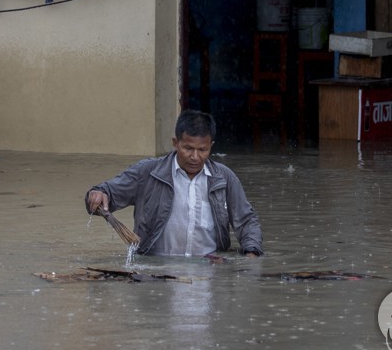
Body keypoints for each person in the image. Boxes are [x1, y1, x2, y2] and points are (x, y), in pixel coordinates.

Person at [84, 110, 263, 258]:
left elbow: (246, 221)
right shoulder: (147, 173)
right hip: (156, 272)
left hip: (209, 273)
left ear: (211, 146)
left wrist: (251, 254)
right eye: (188, 148)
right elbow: (107, 192)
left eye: (202, 150)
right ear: (175, 143)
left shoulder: (224, 178)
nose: (195, 156)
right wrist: (98, 194)